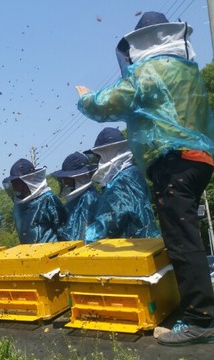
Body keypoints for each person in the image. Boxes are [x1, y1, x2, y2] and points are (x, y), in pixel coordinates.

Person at [76, 11, 214, 345]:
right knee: (187, 235)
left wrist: (84, 97)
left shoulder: (150, 72)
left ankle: (200, 319)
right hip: (200, 160)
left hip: (173, 161)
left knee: (181, 239)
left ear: (141, 43)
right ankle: (197, 309)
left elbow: (108, 103)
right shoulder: (186, 70)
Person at [81, 128, 160, 242]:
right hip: (146, 238)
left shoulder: (121, 181)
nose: (99, 160)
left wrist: (85, 238)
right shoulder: (133, 172)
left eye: (100, 156)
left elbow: (111, 218)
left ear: (108, 152)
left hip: (132, 243)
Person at [2, 158, 67, 244]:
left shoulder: (48, 199)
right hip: (29, 254)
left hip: (52, 253)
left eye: (17, 183)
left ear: (29, 181)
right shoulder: (19, 205)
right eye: (13, 183)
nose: (14, 187)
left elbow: (62, 230)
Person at [51, 152, 100, 241]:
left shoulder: (89, 198)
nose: (65, 182)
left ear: (78, 178)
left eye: (67, 178)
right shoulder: (77, 198)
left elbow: (83, 233)